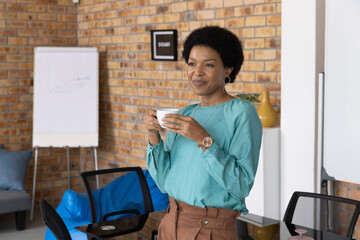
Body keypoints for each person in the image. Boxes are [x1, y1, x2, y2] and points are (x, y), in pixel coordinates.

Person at [144, 26, 263, 240]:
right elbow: (164, 182)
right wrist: (154, 137)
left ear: (227, 70)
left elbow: (242, 185)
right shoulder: (187, 113)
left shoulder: (242, 113)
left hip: (210, 230)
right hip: (169, 223)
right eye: (191, 64)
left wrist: (203, 139)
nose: (197, 72)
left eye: (208, 65)